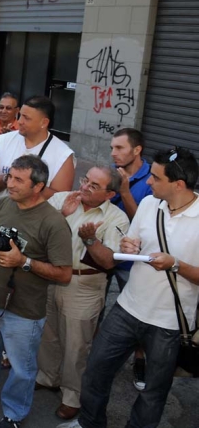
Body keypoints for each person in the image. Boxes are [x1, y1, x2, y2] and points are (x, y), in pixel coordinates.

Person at [58, 147, 199, 428]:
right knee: (96, 372)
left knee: (153, 393)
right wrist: (127, 246)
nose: (148, 182)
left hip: (168, 323)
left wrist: (175, 265)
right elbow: (129, 244)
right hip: (127, 308)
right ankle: (89, 423)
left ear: (178, 184)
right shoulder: (148, 205)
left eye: (155, 178)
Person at [0, 154, 72, 428]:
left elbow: (64, 274)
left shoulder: (53, 223)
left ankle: (15, 413)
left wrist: (24, 262)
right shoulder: (3, 204)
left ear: (38, 186)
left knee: (21, 366)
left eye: (19, 180)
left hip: (25, 309)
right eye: (10, 176)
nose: (10, 183)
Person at [36, 167, 129, 421]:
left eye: (94, 185)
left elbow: (110, 262)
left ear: (110, 194)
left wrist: (90, 240)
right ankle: (47, 377)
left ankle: (72, 397)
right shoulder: (63, 199)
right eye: (86, 180)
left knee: (77, 345)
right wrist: (61, 215)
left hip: (83, 284)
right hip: (51, 275)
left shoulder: (117, 219)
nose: (85, 186)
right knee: (49, 332)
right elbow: (37, 232)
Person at [106, 127, 153, 390]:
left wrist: (124, 191)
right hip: (105, 252)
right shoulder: (112, 172)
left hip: (133, 261)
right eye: (112, 147)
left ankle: (140, 360)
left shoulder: (151, 180)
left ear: (137, 150)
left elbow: (145, 225)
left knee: (138, 315)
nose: (114, 153)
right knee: (94, 308)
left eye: (119, 148)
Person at [0, 95, 75, 203]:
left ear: (44, 123)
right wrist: (8, 178)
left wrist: (30, 185)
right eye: (20, 115)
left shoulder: (63, 155)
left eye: (26, 118)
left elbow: (60, 199)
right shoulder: (3, 141)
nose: (20, 121)